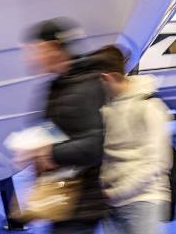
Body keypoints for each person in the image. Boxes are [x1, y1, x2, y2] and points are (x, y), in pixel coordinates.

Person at [22, 19, 107, 233]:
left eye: (35, 50)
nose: (31, 57)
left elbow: (97, 144)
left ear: (52, 48)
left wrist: (49, 152)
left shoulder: (84, 87)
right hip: (62, 199)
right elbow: (61, 128)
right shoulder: (59, 84)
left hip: (81, 204)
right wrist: (34, 145)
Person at [96, 45, 170, 233]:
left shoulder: (150, 106)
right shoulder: (106, 109)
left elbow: (158, 163)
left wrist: (117, 192)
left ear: (106, 77)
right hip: (111, 202)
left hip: (143, 201)